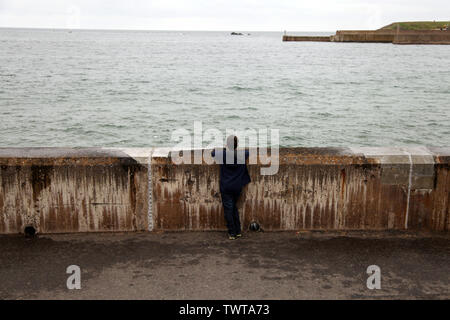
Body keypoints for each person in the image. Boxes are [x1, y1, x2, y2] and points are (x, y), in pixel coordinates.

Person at [212, 135, 250, 240]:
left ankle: (232, 233)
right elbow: (248, 152)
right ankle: (238, 231)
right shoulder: (242, 155)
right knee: (234, 208)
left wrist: (225, 149)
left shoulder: (223, 155)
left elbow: (213, 152)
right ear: (236, 145)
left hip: (226, 186)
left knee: (229, 209)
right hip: (237, 186)